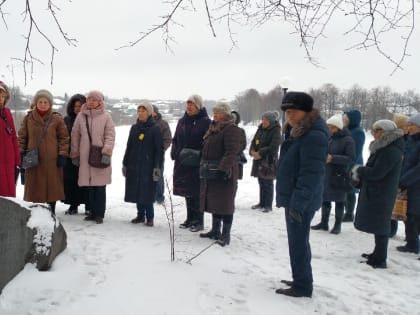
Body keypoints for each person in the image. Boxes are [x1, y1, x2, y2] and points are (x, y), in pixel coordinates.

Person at [275, 91, 329, 298]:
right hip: (296, 197)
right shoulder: (298, 130)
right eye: (287, 112)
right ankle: (301, 278)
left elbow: (311, 173)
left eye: (293, 111)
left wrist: (298, 203)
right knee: (297, 241)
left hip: (301, 199)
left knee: (298, 242)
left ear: (306, 112)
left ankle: (303, 285)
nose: (289, 115)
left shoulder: (313, 134)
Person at [352, 120, 404, 269]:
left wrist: (359, 170)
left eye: (377, 130)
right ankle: (377, 253)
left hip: (383, 192)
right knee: (378, 224)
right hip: (378, 190)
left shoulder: (391, 150)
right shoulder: (384, 147)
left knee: (381, 225)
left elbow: (377, 173)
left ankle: (380, 258)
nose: (374, 133)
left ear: (385, 132)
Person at [18, 89, 69, 214]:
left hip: (52, 160)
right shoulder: (28, 118)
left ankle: (51, 211)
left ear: (50, 104)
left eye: (45, 102)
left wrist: (62, 154)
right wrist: (21, 152)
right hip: (33, 159)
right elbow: (22, 136)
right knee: (35, 187)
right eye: (40, 101)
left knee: (51, 187)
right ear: (36, 102)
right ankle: (36, 212)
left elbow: (64, 138)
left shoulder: (56, 118)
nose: (43, 104)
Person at [198, 101, 241, 246]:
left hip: (225, 173)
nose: (215, 115)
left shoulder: (231, 129)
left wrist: (223, 169)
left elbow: (232, 152)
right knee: (214, 202)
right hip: (210, 171)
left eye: (219, 112)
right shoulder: (213, 127)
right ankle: (215, 230)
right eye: (214, 112)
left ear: (226, 114)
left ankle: (225, 235)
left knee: (226, 204)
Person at [70, 90, 115, 224]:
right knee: (89, 185)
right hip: (85, 156)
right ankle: (91, 212)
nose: (91, 102)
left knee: (99, 187)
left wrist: (107, 152)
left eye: (94, 100)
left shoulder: (106, 117)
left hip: (100, 155)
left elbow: (110, 135)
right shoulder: (81, 116)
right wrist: (75, 153)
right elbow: (75, 135)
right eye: (89, 99)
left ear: (100, 102)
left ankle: (99, 213)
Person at [171, 94, 211, 232]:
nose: (189, 107)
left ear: (198, 106)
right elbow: (175, 139)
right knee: (187, 192)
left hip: (197, 162)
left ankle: (198, 221)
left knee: (197, 192)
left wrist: (200, 154)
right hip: (182, 161)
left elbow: (208, 142)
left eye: (192, 104)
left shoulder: (205, 122)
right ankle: (190, 218)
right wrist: (175, 153)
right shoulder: (182, 121)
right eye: (187, 104)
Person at [311, 114, 355, 234]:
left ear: (339, 127)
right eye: (328, 127)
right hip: (325, 173)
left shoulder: (347, 139)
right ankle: (324, 222)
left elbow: (350, 158)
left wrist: (333, 158)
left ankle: (337, 225)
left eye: (332, 127)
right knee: (325, 198)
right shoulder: (329, 138)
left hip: (338, 175)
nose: (329, 129)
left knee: (339, 200)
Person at [123, 103, 163, 226]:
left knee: (147, 192)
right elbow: (129, 146)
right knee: (137, 190)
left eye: (143, 111)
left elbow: (159, 150)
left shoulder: (155, 129)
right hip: (134, 165)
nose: (140, 113)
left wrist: (157, 167)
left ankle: (150, 217)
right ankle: (140, 215)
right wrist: (125, 163)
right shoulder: (134, 128)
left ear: (149, 113)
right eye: (139, 110)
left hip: (148, 166)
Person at [396, 113, 420, 255]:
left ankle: (413, 244)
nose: (409, 128)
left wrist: (404, 180)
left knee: (414, 215)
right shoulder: (410, 140)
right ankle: (411, 242)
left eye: (412, 125)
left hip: (416, 184)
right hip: (408, 183)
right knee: (409, 214)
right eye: (408, 125)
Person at [249, 111, 281, 212]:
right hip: (258, 160)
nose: (263, 121)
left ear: (271, 121)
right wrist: (252, 151)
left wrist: (260, 153)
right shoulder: (260, 128)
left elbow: (274, 146)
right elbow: (254, 141)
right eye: (262, 119)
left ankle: (268, 205)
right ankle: (261, 202)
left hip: (268, 161)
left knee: (267, 182)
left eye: (265, 120)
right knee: (261, 181)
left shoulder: (276, 130)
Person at [63, 94, 88, 215]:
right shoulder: (66, 120)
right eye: (75, 106)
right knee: (71, 182)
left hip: (85, 155)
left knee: (86, 182)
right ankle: (73, 205)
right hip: (70, 156)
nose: (77, 108)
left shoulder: (89, 119)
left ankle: (88, 205)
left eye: (80, 105)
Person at [342, 110, 365, 222]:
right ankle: (346, 210)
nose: (344, 121)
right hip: (346, 162)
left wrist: (351, 165)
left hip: (354, 164)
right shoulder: (347, 130)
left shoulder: (358, 132)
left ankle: (349, 213)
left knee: (350, 189)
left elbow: (357, 151)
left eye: (346, 119)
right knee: (345, 188)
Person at [389, 113, 409, 238]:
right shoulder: (398, 138)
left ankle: (410, 234)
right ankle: (392, 229)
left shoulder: (407, 139)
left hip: (405, 176)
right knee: (393, 203)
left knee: (404, 206)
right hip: (398, 174)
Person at [0, 81, 21, 197]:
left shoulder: (7, 113)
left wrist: (17, 160)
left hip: (9, 161)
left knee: (9, 195)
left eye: (3, 96)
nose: (0, 99)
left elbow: (13, 137)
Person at [152, 104, 172, 204]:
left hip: (158, 157)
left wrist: (161, 149)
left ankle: (159, 197)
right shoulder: (143, 123)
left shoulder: (163, 124)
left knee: (157, 176)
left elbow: (168, 139)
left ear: (155, 112)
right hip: (144, 156)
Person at [231, 110, 247, 181]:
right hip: (226, 158)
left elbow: (243, 144)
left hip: (236, 158)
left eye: (234, 118)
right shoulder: (224, 130)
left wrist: (234, 150)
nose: (232, 120)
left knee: (235, 180)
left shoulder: (241, 131)